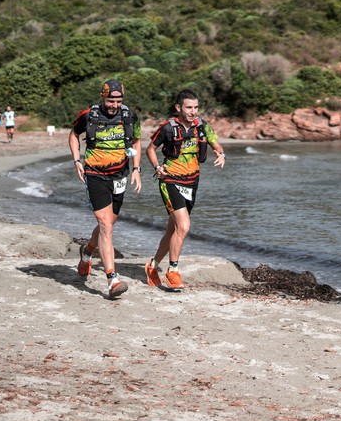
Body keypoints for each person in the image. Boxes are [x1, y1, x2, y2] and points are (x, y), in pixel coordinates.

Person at [145, 89, 225, 292]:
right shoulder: (167, 128)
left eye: (196, 107)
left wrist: (220, 153)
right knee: (183, 227)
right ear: (178, 108)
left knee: (173, 230)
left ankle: (152, 266)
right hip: (170, 180)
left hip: (192, 182)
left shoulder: (202, 126)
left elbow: (217, 145)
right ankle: (173, 271)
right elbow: (150, 149)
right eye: (189, 107)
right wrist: (157, 168)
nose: (193, 111)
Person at [69, 79, 142, 299]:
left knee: (109, 223)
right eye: (111, 100)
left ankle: (87, 252)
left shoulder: (129, 116)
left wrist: (137, 168)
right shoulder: (88, 115)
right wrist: (77, 161)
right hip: (95, 173)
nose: (114, 105)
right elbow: (74, 135)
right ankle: (112, 279)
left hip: (120, 174)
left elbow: (137, 141)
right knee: (105, 224)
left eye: (118, 100)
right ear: (103, 97)